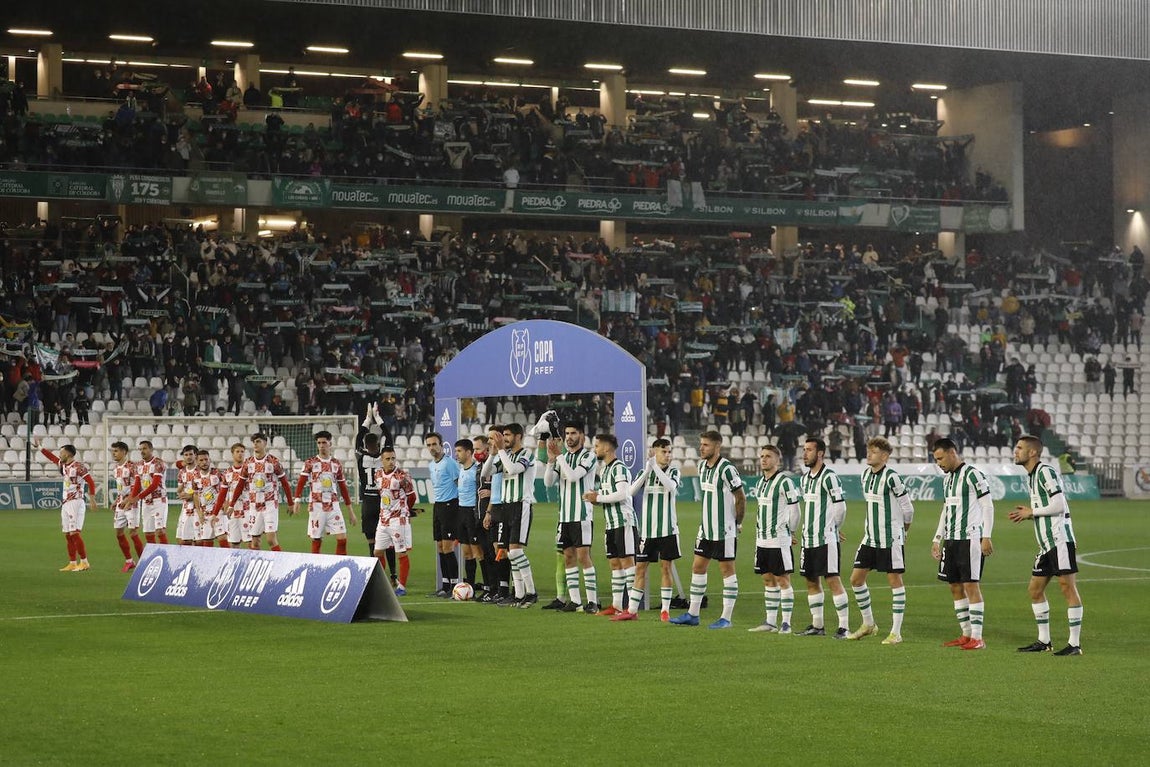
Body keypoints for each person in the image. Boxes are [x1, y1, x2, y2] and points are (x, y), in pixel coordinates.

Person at [1008, 436, 1084, 656]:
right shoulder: (1033, 476)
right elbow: (1051, 507)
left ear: (1032, 452)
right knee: (1035, 590)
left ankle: (1074, 644)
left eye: (1020, 448)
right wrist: (1030, 514)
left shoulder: (1045, 472)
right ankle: (1044, 641)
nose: (1016, 451)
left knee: (1067, 588)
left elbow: (1059, 504)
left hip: (1059, 540)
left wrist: (1031, 512)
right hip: (1046, 544)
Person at [670, 430, 746, 629]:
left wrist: (737, 522)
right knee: (697, 567)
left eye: (706, 445)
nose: (701, 448)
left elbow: (740, 497)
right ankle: (693, 614)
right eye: (701, 444)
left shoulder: (727, 469)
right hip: (706, 530)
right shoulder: (702, 467)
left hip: (724, 530)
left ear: (717, 447)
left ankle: (726, 618)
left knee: (727, 571)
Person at [847, 437, 915, 644]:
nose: (869, 454)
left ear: (885, 456)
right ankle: (868, 624)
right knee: (855, 580)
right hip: (870, 538)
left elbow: (908, 508)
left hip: (890, 538)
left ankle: (896, 632)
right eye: (868, 450)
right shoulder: (865, 475)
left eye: (874, 451)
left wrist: (903, 531)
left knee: (894, 581)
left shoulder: (892, 477)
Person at [931, 437, 995, 651]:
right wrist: (937, 538)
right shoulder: (947, 480)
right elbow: (945, 510)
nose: (939, 463)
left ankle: (978, 638)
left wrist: (986, 536)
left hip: (970, 539)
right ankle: (966, 634)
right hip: (951, 540)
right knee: (954, 586)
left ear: (952, 453)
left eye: (940, 458)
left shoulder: (973, 474)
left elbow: (988, 506)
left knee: (970, 585)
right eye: (936, 460)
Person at [796, 438, 851, 638]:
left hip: (826, 539)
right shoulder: (804, 479)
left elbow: (840, 507)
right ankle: (817, 626)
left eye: (809, 450)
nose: (805, 453)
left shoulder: (830, 477)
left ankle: (844, 627)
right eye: (804, 450)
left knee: (832, 580)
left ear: (820, 453)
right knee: (811, 581)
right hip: (808, 539)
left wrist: (835, 527)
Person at [542, 421, 599, 613]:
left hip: (582, 515)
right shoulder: (563, 457)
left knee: (583, 556)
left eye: (573, 433)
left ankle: (593, 601)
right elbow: (549, 483)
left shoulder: (588, 456)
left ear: (581, 436)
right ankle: (575, 601)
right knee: (568, 557)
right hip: (565, 517)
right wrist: (551, 461)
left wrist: (559, 458)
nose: (568, 436)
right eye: (566, 433)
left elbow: (574, 476)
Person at [481, 423, 538, 607]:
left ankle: (531, 592)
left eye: (507, 435)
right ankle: (519, 595)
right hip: (506, 507)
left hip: (521, 504)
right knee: (509, 553)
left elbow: (513, 470)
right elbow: (485, 473)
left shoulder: (527, 454)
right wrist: (492, 453)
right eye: (502, 435)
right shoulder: (506, 455)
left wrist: (500, 452)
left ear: (518, 436)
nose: (503, 438)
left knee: (515, 551)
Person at [582, 434, 637, 619]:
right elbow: (609, 496)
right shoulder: (604, 470)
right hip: (611, 523)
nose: (595, 449)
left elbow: (623, 494)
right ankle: (617, 605)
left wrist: (598, 497)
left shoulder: (619, 468)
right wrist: (595, 498)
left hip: (623, 521)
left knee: (628, 562)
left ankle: (632, 610)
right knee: (615, 563)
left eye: (597, 446)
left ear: (607, 448)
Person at [627, 438, 682, 621]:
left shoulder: (674, 471)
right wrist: (647, 469)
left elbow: (671, 487)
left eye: (669, 452)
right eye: (663, 452)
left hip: (668, 530)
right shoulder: (647, 472)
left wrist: (654, 467)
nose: (667, 455)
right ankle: (632, 611)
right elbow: (631, 492)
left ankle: (665, 609)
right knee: (640, 568)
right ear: (655, 452)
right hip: (647, 531)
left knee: (666, 568)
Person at [747, 444, 800, 634]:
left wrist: (791, 531)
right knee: (768, 579)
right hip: (762, 540)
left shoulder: (785, 482)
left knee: (783, 579)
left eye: (768, 456)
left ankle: (786, 623)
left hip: (779, 540)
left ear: (777, 460)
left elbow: (795, 510)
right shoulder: (761, 483)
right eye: (762, 456)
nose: (763, 459)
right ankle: (770, 622)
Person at [226, 433, 294, 551]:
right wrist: (232, 504)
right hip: (254, 506)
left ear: (265, 443)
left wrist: (290, 502)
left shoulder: (273, 461)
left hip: (270, 505)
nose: (255, 444)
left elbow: (284, 482)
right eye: (254, 442)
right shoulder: (248, 463)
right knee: (255, 542)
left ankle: (280, 563)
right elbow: (240, 485)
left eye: (258, 441)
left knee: (270, 539)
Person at [36, 439, 97, 571]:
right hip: (66, 503)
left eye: (62, 453)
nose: (59, 455)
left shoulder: (79, 467)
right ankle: (72, 563)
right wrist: (40, 447)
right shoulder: (63, 465)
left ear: (69, 454)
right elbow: (51, 457)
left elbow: (91, 482)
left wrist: (92, 499)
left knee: (74, 533)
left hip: (76, 502)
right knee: (68, 534)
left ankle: (85, 561)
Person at [294, 430, 356, 555]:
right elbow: (301, 482)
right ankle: (315, 569)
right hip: (317, 506)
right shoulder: (310, 462)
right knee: (316, 539)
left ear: (330, 443)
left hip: (333, 506)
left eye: (324, 442)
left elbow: (343, 488)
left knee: (342, 539)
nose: (321, 445)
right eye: (319, 443)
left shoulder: (336, 463)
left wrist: (351, 512)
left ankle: (340, 566)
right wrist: (297, 500)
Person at [373, 445, 417, 595]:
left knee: (401, 553)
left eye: (393, 458)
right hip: (383, 519)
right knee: (377, 552)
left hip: (398, 520)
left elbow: (412, 496)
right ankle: (382, 583)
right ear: (382, 460)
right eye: (388, 459)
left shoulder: (402, 477)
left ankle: (402, 587)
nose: (391, 461)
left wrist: (404, 511)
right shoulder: (377, 475)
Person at [454, 439, 493, 598]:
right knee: (467, 553)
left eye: (459, 451)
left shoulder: (477, 470)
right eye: (456, 451)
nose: (457, 454)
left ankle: (488, 585)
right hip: (461, 512)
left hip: (472, 513)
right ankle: (468, 587)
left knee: (479, 553)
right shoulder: (461, 469)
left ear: (469, 452)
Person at [425, 432, 462, 598]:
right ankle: (445, 584)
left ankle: (453, 585)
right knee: (440, 547)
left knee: (448, 547)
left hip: (450, 506)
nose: (432, 448)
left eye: (434, 444)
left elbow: (459, 485)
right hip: (438, 506)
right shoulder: (431, 465)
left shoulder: (450, 463)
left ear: (441, 445)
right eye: (429, 445)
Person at [473, 433, 503, 603]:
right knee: (485, 553)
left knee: (494, 553)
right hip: (479, 514)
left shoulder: (495, 465)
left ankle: (499, 588)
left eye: (478, 449)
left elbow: (499, 489)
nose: (476, 452)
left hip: (491, 514)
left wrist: (488, 512)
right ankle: (490, 588)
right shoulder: (480, 467)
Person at [122, 440, 169, 546]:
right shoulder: (138, 465)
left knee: (160, 531)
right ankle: (153, 558)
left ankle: (166, 558)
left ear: (151, 449)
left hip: (159, 500)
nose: (142, 451)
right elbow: (137, 485)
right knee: (148, 533)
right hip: (146, 502)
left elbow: (154, 485)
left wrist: (138, 498)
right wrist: (130, 501)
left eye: (144, 448)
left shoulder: (158, 463)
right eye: (140, 449)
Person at [356, 405, 387, 560]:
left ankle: (373, 566)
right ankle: (393, 574)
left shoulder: (361, 457)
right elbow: (388, 434)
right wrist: (377, 417)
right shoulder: (384, 456)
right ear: (378, 444)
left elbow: (357, 438)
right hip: (383, 501)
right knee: (386, 540)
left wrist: (368, 418)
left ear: (365, 445)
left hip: (368, 502)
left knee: (371, 541)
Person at [110, 440, 144, 571]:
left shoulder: (132, 466)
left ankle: (142, 563)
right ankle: (129, 560)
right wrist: (117, 501)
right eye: (113, 451)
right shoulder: (116, 469)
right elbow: (121, 487)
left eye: (116, 451)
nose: (114, 454)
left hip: (132, 503)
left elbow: (137, 485)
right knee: (119, 532)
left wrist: (129, 500)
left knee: (133, 532)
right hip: (121, 502)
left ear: (124, 452)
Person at [212, 443, 249, 548]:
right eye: (237, 451)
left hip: (248, 509)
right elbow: (222, 494)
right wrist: (215, 513)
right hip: (232, 511)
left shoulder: (249, 470)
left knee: (251, 542)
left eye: (242, 451)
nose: (240, 454)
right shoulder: (227, 473)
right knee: (234, 543)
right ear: (232, 454)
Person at [192, 449, 229, 548]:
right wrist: (199, 512)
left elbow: (225, 489)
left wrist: (226, 504)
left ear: (210, 460)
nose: (204, 462)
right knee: (207, 541)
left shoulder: (218, 473)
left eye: (206, 459)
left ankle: (228, 561)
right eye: (201, 460)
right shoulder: (195, 477)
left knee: (222, 537)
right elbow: (195, 495)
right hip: (205, 513)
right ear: (197, 462)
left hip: (218, 511)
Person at [174, 445, 202, 546]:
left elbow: (206, 491)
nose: (188, 456)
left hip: (199, 508)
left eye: (191, 454)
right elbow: (180, 490)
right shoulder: (182, 472)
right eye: (186, 454)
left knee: (199, 541)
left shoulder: (201, 470)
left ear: (196, 455)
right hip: (186, 508)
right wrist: (181, 495)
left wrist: (192, 496)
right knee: (184, 541)